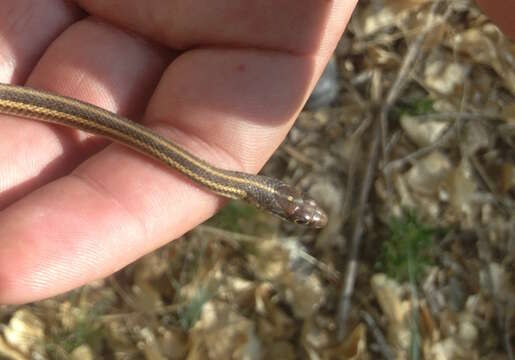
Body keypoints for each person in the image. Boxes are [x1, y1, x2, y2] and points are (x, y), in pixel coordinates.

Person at [0, 1, 511, 304]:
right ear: (274, 200)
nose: (302, 216)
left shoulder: (221, 176)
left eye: (298, 214)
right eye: (298, 213)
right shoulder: (219, 177)